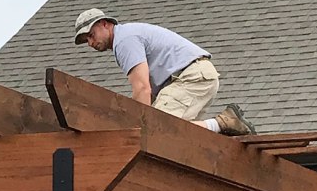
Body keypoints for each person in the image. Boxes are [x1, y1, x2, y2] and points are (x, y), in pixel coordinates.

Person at [73, 8, 256, 135]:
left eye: (91, 35)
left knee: (155, 128)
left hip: (190, 77)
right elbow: (149, 94)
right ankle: (222, 128)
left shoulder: (124, 41)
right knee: (179, 133)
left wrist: (136, 131)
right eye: (86, 40)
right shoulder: (127, 37)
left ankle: (224, 123)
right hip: (197, 76)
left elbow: (142, 90)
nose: (90, 43)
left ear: (105, 24)